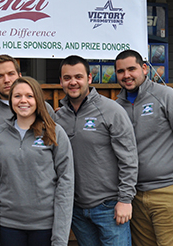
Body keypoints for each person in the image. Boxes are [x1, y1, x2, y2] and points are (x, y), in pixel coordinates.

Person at [114, 50, 173, 246]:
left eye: (131, 69)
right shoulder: (116, 107)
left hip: (170, 192)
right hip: (135, 197)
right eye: (121, 71)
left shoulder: (167, 96)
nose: (126, 75)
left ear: (144, 69)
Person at [55, 55, 138, 246]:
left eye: (78, 77)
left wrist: (125, 200)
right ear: (61, 81)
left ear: (89, 79)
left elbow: (129, 158)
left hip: (109, 207)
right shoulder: (59, 117)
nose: (73, 82)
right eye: (67, 78)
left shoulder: (111, 110)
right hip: (76, 208)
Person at [0, 77, 74, 246]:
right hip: (8, 226)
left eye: (29, 96)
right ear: (11, 100)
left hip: (45, 227)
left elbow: (66, 184)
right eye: (17, 96)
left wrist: (60, 235)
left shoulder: (54, 133)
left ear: (38, 100)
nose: (23, 100)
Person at [0, 55, 54, 134]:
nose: (6, 80)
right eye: (0, 76)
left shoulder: (44, 108)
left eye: (11, 74)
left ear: (20, 76)